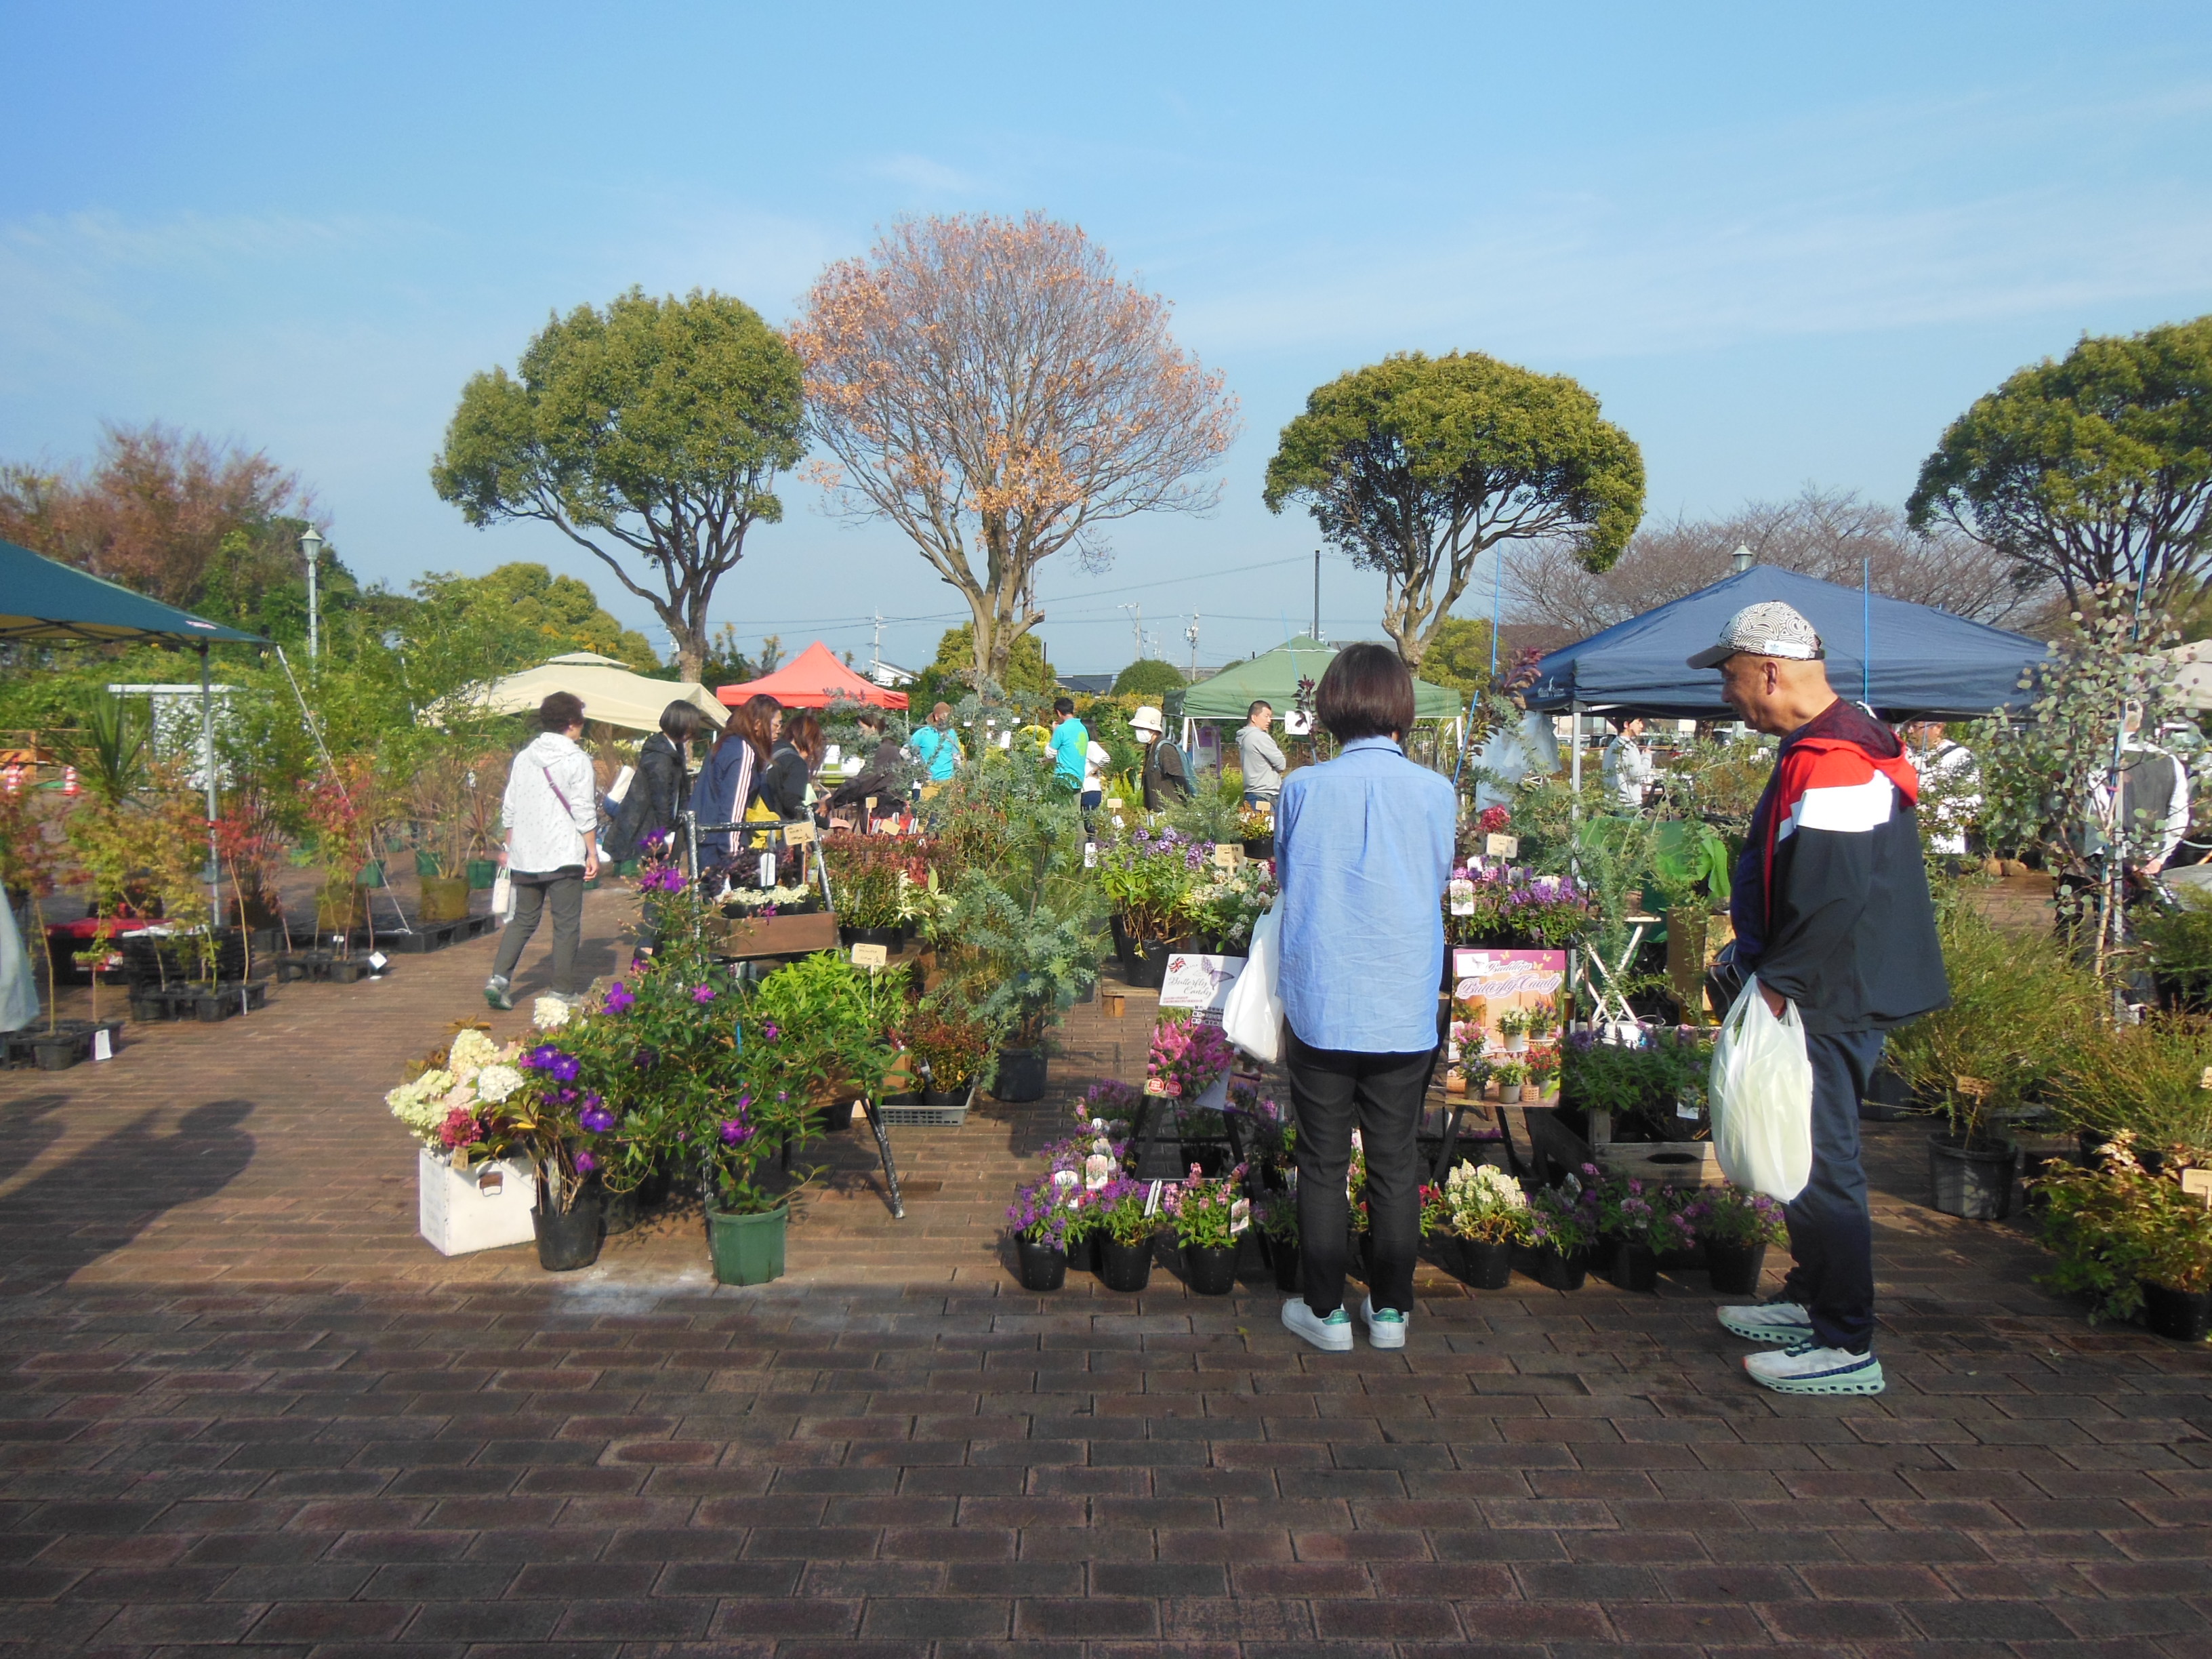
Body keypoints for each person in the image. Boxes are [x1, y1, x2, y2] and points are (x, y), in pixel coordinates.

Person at [1693, 602, 1948, 1396]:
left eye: (1731, 678)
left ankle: (1846, 1342)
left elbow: (1834, 896)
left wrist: (1775, 987)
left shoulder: (1837, 758)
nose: (1727, 696)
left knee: (1823, 1162)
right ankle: (1812, 1300)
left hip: (1826, 996)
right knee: (1804, 1152)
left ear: (1770, 671)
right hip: (1820, 987)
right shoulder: (1829, 743)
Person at [1273, 644, 1456, 1353]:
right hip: (1403, 997)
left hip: (1324, 994)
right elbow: (1435, 876)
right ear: (1400, 706)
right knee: (1395, 1161)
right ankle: (1389, 1313)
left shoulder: (1303, 787)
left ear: (1332, 704)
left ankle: (1323, 1313)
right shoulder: (1436, 791)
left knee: (1323, 1161)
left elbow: (1287, 874)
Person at [485, 691, 600, 1012]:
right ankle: (561, 991)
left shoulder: (524, 757)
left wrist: (510, 846)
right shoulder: (577, 760)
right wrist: (591, 852)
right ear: (571, 724)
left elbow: (509, 807)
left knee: (523, 920)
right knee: (565, 924)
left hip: (526, 854)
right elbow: (584, 811)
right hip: (563, 853)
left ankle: (499, 979)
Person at [605, 700, 709, 865]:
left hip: (659, 827)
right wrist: (666, 835)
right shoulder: (660, 756)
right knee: (655, 879)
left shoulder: (673, 749)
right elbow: (661, 799)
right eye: (690, 727)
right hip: (650, 829)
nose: (691, 732)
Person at [691, 695, 778, 863]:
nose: (779, 730)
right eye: (776, 724)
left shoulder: (725, 743)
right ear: (758, 724)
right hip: (720, 844)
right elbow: (733, 807)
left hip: (703, 836)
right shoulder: (743, 750)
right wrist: (733, 855)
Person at [1905, 721, 1979, 859]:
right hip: (1907, 842)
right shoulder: (1904, 753)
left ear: (1938, 728)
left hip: (1944, 846)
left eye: (1916, 727)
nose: (1910, 731)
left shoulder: (1959, 756)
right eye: (1908, 726)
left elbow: (1970, 800)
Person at [827, 708, 906, 825]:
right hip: (884, 810)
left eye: (862, 728)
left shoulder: (884, 750)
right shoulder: (887, 748)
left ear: (873, 728)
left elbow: (863, 783)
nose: (860, 733)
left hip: (882, 813)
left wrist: (833, 801)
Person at [1131, 705, 1193, 811]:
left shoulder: (1165, 749)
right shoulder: (1151, 747)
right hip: (1156, 809)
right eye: (1137, 728)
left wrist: (1189, 804)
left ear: (1153, 729)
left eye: (1142, 728)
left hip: (1169, 811)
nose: (1138, 731)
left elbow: (1179, 778)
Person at [1235, 699, 1288, 810]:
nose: (1270, 720)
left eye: (1270, 717)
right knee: (1269, 827)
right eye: (1266, 716)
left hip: (1253, 794)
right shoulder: (1259, 737)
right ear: (1254, 718)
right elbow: (1281, 764)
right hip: (1265, 797)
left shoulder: (1245, 737)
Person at [1601, 714, 1658, 811]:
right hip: (1627, 803)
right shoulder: (1627, 747)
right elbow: (1637, 775)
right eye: (1638, 722)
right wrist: (1647, 757)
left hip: (1613, 800)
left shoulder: (1614, 745)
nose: (1641, 726)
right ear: (1626, 725)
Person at [910, 702, 962, 787]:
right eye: (945, 717)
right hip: (930, 783)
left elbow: (956, 758)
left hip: (950, 782)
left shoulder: (951, 733)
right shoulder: (923, 733)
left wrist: (960, 779)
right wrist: (918, 768)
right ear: (937, 717)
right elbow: (905, 752)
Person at [1046, 696, 1088, 796]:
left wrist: (1054, 732)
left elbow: (1050, 754)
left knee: (1062, 810)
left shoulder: (1061, 729)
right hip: (1079, 779)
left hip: (1063, 780)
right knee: (1075, 810)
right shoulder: (1082, 727)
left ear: (1059, 712)